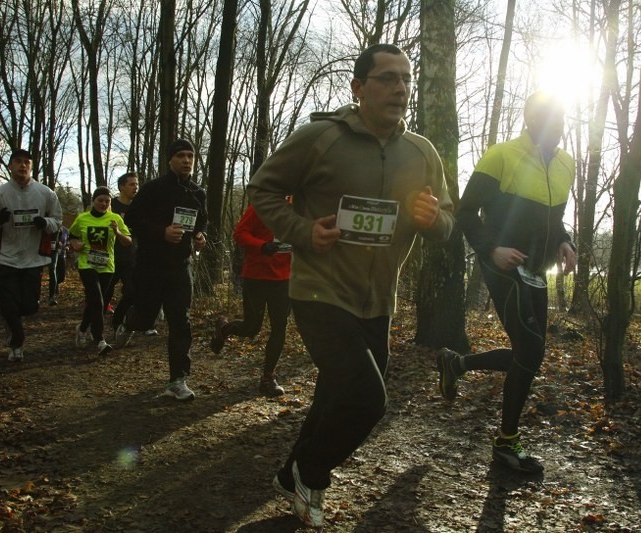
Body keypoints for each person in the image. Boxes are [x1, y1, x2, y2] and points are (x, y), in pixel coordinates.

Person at [247, 43, 454, 528]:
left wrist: (432, 220)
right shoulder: (321, 137)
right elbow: (263, 189)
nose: (400, 88)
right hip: (319, 291)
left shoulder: (421, 151)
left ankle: (289, 472)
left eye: (406, 78)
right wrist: (302, 231)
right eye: (387, 78)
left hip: (378, 299)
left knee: (336, 393)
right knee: (367, 398)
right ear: (358, 87)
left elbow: (447, 219)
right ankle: (312, 471)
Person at [438, 91, 577, 474]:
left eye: (561, 119)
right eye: (548, 118)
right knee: (531, 352)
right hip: (502, 265)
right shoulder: (501, 155)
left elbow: (554, 220)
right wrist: (491, 250)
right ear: (530, 121)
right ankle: (506, 444)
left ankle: (457, 363)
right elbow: (466, 212)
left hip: (536, 270)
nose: (557, 127)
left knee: (527, 352)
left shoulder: (567, 163)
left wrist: (566, 241)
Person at [115, 139, 207, 401]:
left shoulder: (197, 193)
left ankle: (178, 380)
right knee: (145, 319)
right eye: (181, 156)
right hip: (150, 266)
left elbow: (202, 222)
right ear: (170, 160)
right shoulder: (153, 189)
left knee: (181, 321)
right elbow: (131, 219)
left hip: (180, 266)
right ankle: (129, 322)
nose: (187, 160)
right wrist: (161, 232)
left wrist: (200, 235)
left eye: (190, 156)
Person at [0, 148, 63, 361]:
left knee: (29, 307)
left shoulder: (46, 193)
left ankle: (13, 325)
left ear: (32, 167)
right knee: (9, 306)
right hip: (4, 258)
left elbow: (58, 220)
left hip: (32, 260)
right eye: (18, 162)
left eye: (27, 162)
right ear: (10, 166)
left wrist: (45, 223)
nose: (23, 166)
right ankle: (16, 342)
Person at [209, 203, 291, 397]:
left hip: (285, 278)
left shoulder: (300, 207)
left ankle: (268, 378)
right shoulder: (261, 206)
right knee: (251, 328)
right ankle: (224, 329)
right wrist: (262, 245)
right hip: (257, 276)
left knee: (280, 327)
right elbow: (239, 234)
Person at [69, 186, 132, 356]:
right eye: (100, 200)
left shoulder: (115, 218)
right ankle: (100, 340)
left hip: (107, 266)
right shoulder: (82, 219)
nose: (103, 204)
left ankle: (82, 329)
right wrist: (75, 244)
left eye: (107, 201)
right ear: (93, 202)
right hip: (87, 264)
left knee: (96, 302)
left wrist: (117, 232)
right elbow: (72, 235)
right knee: (97, 301)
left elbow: (128, 241)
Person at [103, 172, 141, 332]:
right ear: (121, 187)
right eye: (132, 184)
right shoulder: (111, 207)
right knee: (104, 295)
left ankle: (117, 322)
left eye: (137, 184)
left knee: (132, 292)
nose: (136, 188)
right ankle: (92, 325)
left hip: (131, 258)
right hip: (110, 258)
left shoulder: (140, 207)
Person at [47, 225, 69, 305]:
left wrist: (66, 246)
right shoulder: (48, 228)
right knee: (52, 271)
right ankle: (51, 296)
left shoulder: (65, 230)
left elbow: (68, 241)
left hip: (61, 254)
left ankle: (55, 285)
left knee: (62, 277)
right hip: (50, 253)